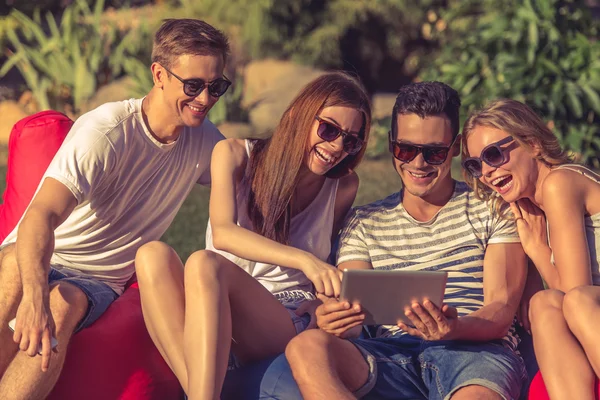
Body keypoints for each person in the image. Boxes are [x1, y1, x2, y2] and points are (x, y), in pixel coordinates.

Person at [0, 18, 230, 399]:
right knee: (13, 271)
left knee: (63, 303)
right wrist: (34, 294)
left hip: (98, 281)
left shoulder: (205, 141)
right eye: (193, 86)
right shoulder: (106, 131)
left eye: (216, 86)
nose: (205, 99)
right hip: (40, 252)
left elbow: (260, 177)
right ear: (159, 73)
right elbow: (41, 215)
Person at [283, 81, 528, 400]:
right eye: (406, 149)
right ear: (390, 144)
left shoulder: (491, 206)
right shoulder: (364, 222)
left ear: (454, 149)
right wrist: (335, 318)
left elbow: (500, 309)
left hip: (475, 354)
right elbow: (354, 314)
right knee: (307, 347)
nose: (418, 163)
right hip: (390, 354)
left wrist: (453, 329)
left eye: (434, 152)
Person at [134, 71, 372, 399]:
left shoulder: (342, 185)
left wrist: (320, 297)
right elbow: (224, 234)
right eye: (328, 129)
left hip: (283, 314)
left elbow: (329, 259)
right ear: (301, 115)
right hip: (212, 307)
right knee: (152, 255)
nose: (336, 147)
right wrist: (305, 261)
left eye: (351, 140)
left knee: (204, 264)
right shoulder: (234, 154)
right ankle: (201, 390)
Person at [462, 98, 600, 400]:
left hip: (589, 308)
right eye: (476, 164)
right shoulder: (531, 208)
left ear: (534, 144)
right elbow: (538, 311)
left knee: (567, 301)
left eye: (494, 154)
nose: (486, 171)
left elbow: (576, 294)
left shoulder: (559, 183)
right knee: (542, 304)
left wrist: (537, 250)